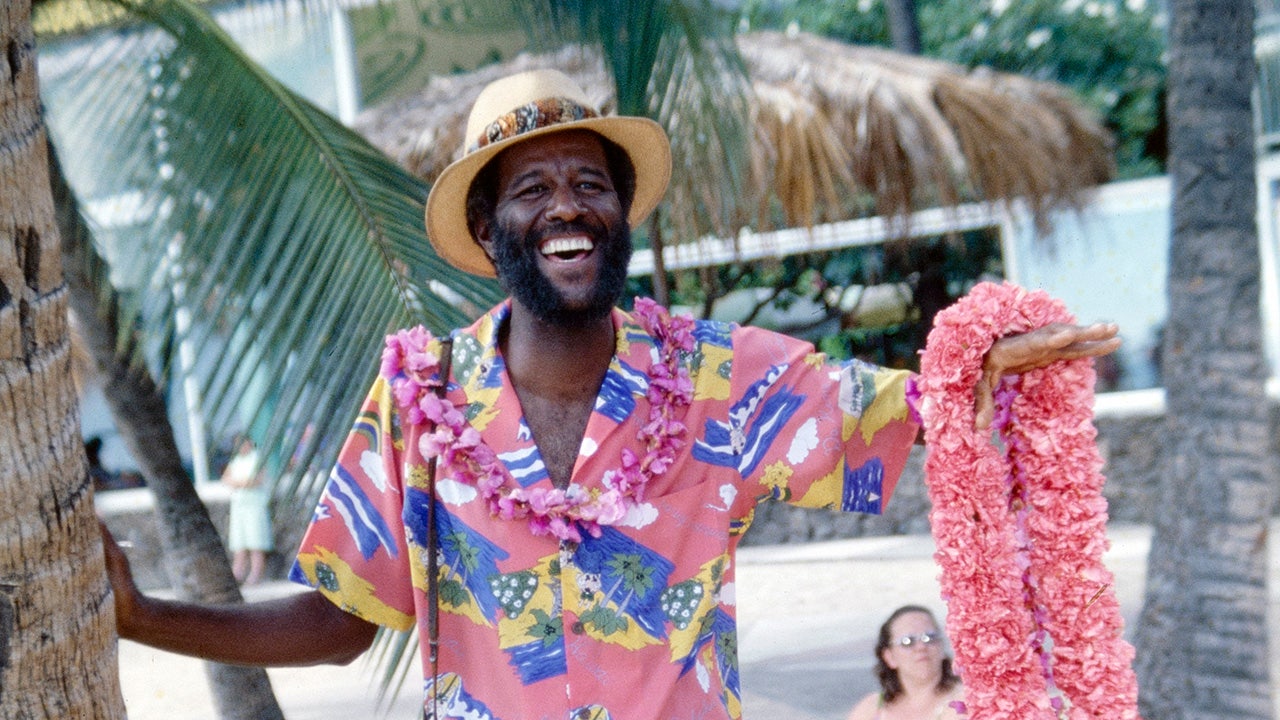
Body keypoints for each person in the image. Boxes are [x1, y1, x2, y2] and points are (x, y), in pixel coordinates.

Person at [100, 69, 1120, 719]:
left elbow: (903, 407)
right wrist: (141, 614)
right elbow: (339, 622)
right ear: (493, 231)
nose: (565, 206)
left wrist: (994, 359)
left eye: (588, 182)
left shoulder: (724, 382)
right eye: (531, 189)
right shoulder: (419, 397)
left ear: (620, 214)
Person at [846, 605, 964, 720]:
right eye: (908, 641)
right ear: (889, 657)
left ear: (942, 647)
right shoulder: (871, 709)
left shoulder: (965, 703)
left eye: (929, 637)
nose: (921, 647)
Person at [219, 436, 274, 585]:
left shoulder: (256, 459)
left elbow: (255, 480)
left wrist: (240, 483)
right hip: (239, 506)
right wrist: (240, 483)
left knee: (256, 541)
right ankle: (237, 575)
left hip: (254, 505)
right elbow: (226, 478)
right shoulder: (236, 461)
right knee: (239, 542)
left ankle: (256, 575)